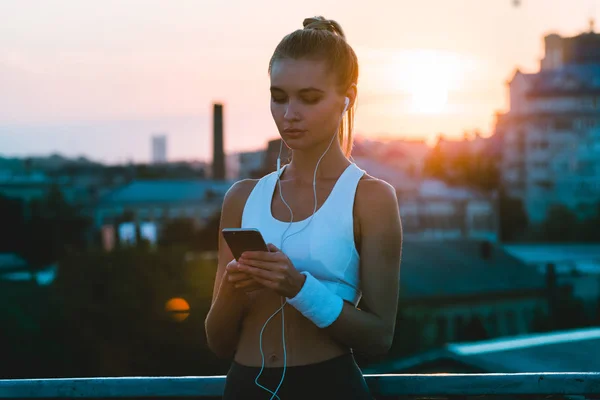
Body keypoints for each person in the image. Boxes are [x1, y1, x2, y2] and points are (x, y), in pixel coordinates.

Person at [205, 15, 402, 400]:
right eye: (279, 97)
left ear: (348, 98)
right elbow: (217, 342)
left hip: (328, 387)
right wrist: (231, 289)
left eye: (308, 98)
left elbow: (379, 339)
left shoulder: (371, 198)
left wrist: (296, 286)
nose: (289, 113)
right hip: (246, 387)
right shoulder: (242, 198)